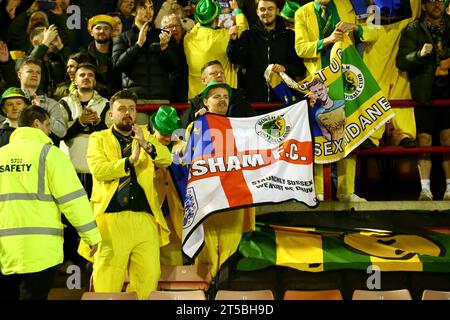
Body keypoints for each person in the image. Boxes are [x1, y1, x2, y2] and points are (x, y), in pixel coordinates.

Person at [0, 105, 101, 300]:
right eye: (47, 125)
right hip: (40, 250)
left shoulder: (1, 155)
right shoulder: (50, 154)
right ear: (36, 124)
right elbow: (73, 200)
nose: (49, 130)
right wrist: (92, 237)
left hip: (4, 250)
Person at [86, 89, 172, 300]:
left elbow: (167, 158)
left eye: (132, 109)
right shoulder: (98, 138)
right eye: (122, 108)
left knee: (149, 278)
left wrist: (146, 144)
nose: (128, 113)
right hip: (111, 219)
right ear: (110, 115)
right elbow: (99, 170)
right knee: (107, 282)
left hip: (145, 219)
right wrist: (129, 161)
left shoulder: (145, 135)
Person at [295, 0, 369, 202]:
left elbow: (372, 33)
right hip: (318, 84)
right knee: (320, 138)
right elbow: (300, 49)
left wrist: (356, 27)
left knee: (349, 136)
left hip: (346, 80)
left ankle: (347, 192)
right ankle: (318, 191)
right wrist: (326, 41)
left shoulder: (349, 6)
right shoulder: (302, 13)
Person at [184, 80, 255, 278]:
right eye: (216, 97)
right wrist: (202, 123)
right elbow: (188, 156)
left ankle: (220, 291)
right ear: (205, 102)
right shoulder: (195, 126)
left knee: (228, 256)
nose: (222, 100)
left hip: (233, 201)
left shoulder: (240, 127)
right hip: (207, 203)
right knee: (205, 258)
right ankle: (206, 294)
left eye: (225, 97)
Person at [396, 0, 450, 201]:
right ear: (424, 6)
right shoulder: (413, 29)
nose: (437, 4)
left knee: (448, 140)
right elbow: (401, 61)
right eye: (431, 1)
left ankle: (449, 190)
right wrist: (419, 54)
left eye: (440, 1)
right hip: (425, 91)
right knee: (424, 140)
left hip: (448, 90)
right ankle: (425, 190)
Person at [227, 0, 305, 102]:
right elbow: (236, 59)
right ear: (257, 12)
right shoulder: (248, 35)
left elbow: (300, 68)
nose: (266, 12)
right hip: (255, 102)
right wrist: (233, 41)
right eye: (262, 9)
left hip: (284, 102)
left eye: (270, 9)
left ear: (277, 11)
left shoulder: (290, 36)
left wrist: (285, 68)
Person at [112, 0, 180, 106]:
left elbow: (174, 66)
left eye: (151, 8)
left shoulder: (164, 35)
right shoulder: (122, 37)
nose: (149, 12)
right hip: (134, 101)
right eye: (143, 7)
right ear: (134, 11)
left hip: (161, 99)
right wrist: (138, 45)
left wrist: (164, 48)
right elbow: (117, 65)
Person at [59, 62, 110, 197]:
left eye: (90, 75)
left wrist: (97, 123)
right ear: (75, 80)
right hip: (69, 168)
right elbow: (59, 135)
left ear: (94, 81)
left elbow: (111, 137)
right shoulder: (64, 103)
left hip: (97, 169)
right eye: (82, 75)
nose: (86, 77)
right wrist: (80, 123)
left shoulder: (106, 104)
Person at [184, 0, 248, 99]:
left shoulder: (188, 38)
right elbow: (243, 30)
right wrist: (236, 10)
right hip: (221, 101)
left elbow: (198, 25)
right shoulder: (224, 36)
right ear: (217, 17)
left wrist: (206, 10)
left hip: (196, 102)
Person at [150, 105, 186, 266]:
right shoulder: (142, 143)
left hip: (173, 209)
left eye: (170, 134)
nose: (167, 138)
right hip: (149, 210)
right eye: (163, 134)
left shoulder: (181, 146)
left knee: (173, 258)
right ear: (153, 130)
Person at [181, 60, 256, 128]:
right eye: (214, 73)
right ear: (204, 81)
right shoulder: (195, 106)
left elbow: (254, 127)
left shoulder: (240, 101)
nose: (220, 75)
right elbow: (183, 135)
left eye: (222, 73)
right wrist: (199, 121)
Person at [16, 56, 67, 144]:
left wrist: (41, 112)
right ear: (19, 75)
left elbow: (62, 132)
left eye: (38, 72)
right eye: (30, 71)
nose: (35, 75)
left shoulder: (51, 104)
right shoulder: (9, 101)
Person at [83, 14, 122, 99]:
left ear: (111, 32)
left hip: (117, 99)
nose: (102, 31)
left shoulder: (120, 52)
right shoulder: (84, 55)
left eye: (106, 28)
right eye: (98, 28)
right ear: (91, 32)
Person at [161, 13, 189, 103]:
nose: (174, 29)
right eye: (170, 26)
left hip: (188, 88)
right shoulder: (161, 47)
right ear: (163, 31)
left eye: (177, 25)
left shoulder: (189, 43)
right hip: (169, 91)